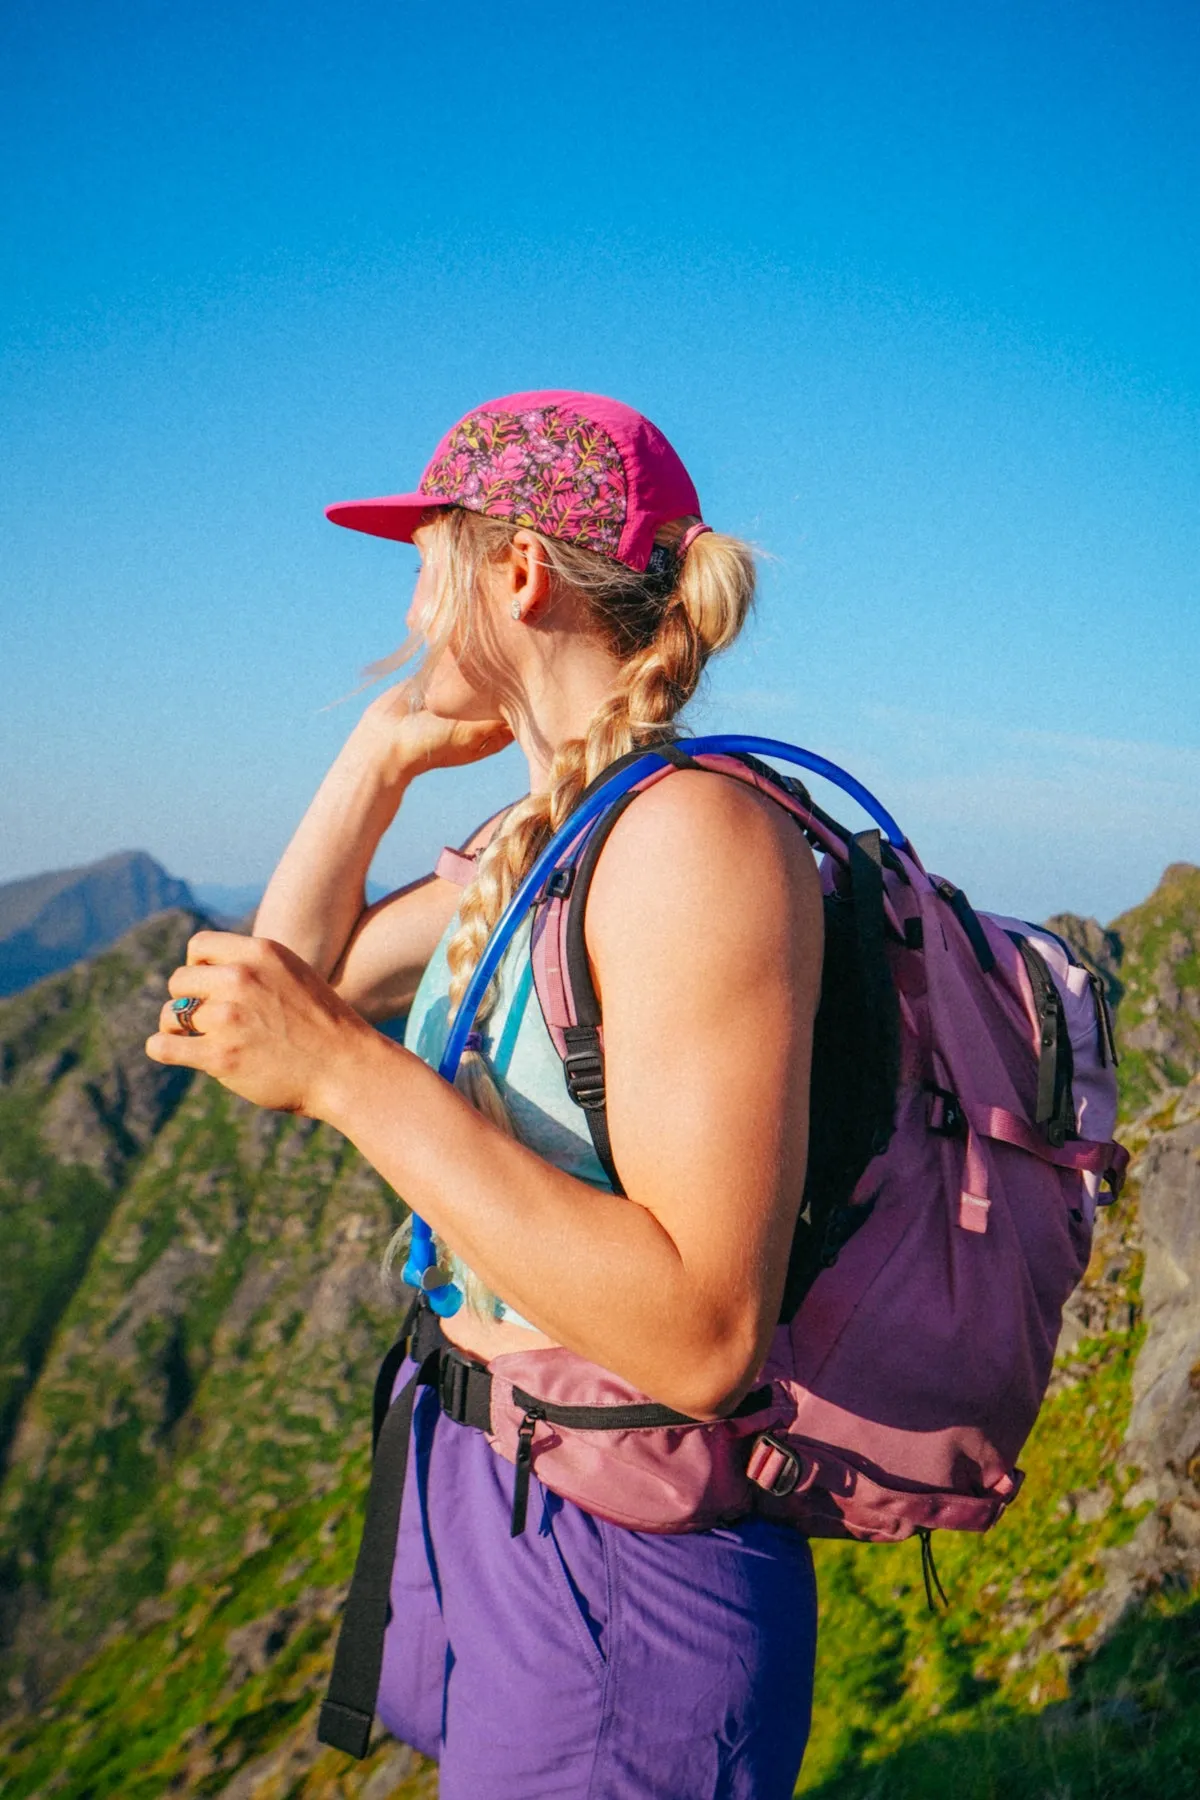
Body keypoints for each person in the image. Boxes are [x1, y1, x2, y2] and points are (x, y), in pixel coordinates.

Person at [147, 390, 824, 1799]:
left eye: (422, 559)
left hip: (621, 1554)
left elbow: (704, 1338)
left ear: (514, 573)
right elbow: (257, 999)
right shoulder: (538, 849)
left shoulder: (695, 843)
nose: (406, 602)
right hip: (497, 1483)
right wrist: (376, 755)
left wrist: (347, 1072)